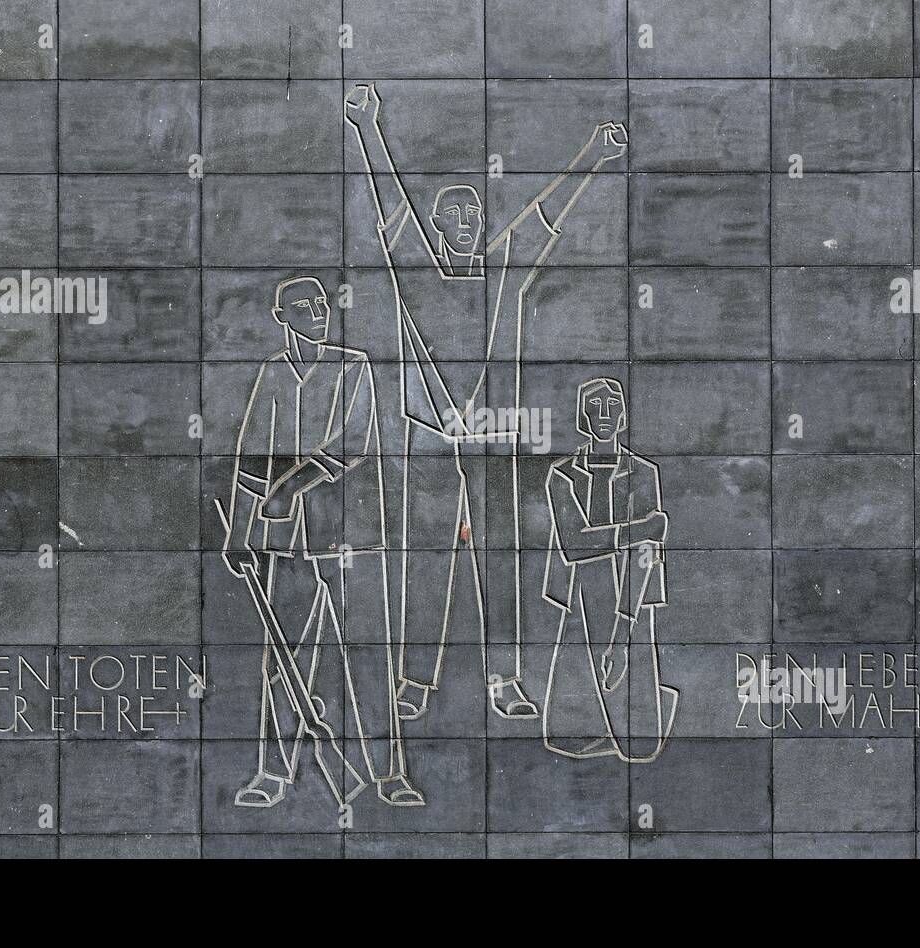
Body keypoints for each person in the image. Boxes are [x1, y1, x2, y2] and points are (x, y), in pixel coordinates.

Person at [344, 81, 628, 720]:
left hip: (493, 436)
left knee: (499, 557)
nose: (468, 225)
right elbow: (391, 207)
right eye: (455, 216)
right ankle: (415, 681)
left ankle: (504, 681)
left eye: (475, 215)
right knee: (426, 558)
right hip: (431, 437)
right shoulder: (417, 269)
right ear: (439, 227)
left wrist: (595, 155)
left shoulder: (503, 274)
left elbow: (543, 218)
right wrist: (367, 127)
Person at [221, 275, 424, 808]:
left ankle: (388, 774)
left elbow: (354, 443)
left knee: (368, 658)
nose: (317, 311)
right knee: (281, 657)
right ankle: (273, 772)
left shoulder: (353, 365)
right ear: (280, 316)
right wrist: (239, 534)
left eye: (321, 303)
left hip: (351, 536)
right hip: (285, 543)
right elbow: (249, 462)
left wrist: (289, 486)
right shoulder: (272, 372)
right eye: (303, 306)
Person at [541, 378, 678, 763]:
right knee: (565, 737)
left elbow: (646, 554)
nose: (604, 414)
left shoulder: (642, 473)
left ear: (622, 415)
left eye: (612, 405)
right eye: (595, 405)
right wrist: (643, 528)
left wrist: (623, 629)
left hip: (631, 595)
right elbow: (574, 543)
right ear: (582, 415)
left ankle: (650, 698)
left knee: (643, 747)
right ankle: (610, 718)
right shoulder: (563, 474)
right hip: (581, 593)